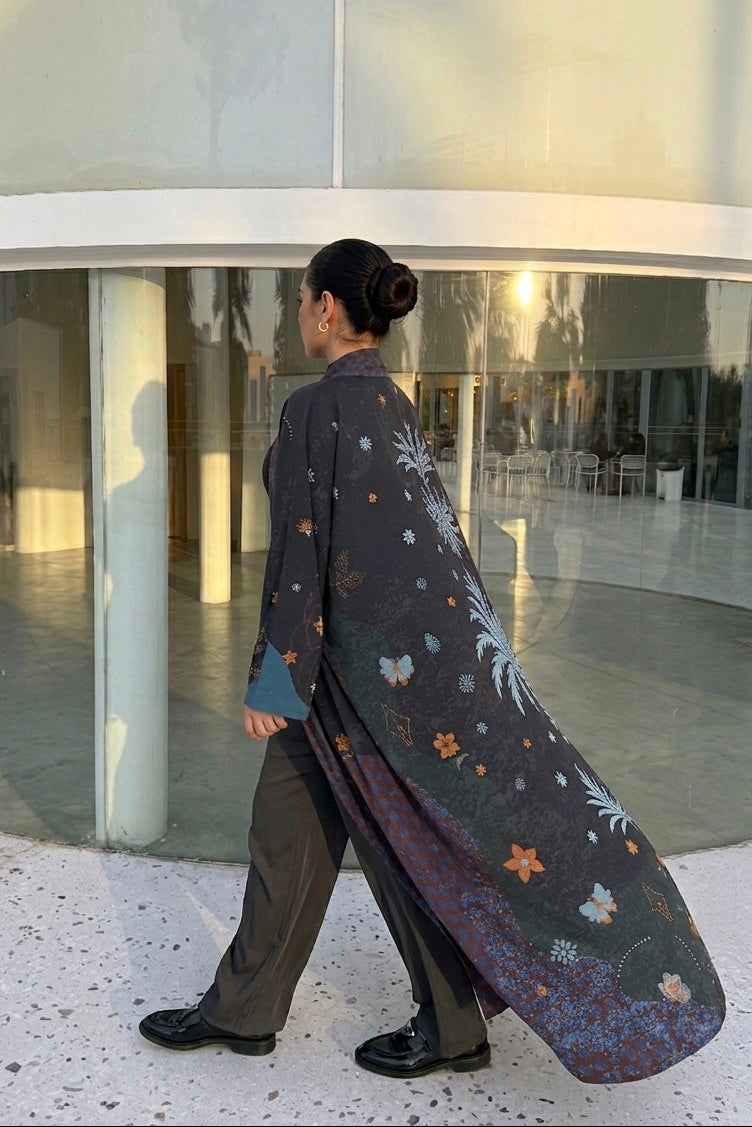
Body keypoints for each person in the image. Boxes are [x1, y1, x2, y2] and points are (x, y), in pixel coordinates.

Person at [139, 238, 725, 1084]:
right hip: (391, 674)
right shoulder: (395, 404)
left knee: (395, 842)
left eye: (303, 299)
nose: (299, 312)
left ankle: (430, 1026)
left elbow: (301, 552)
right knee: (299, 832)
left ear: (328, 308)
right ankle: (251, 1010)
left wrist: (276, 677)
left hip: (362, 683)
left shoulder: (314, 410)